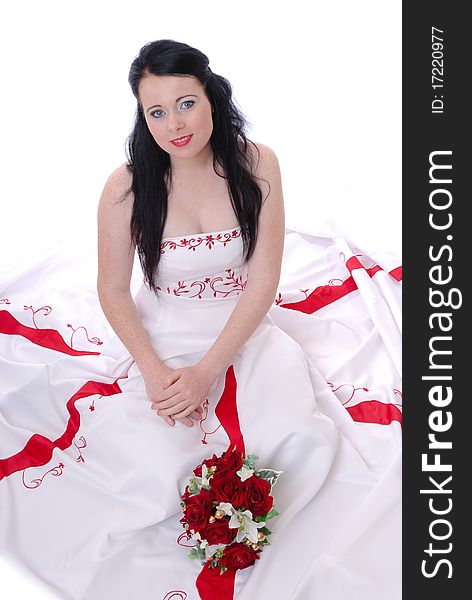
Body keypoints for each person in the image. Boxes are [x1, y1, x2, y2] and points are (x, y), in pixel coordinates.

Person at [0, 39, 402, 600]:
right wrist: (155, 371)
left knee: (289, 441)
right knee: (147, 458)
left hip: (243, 330)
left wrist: (210, 370)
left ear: (211, 94)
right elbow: (112, 289)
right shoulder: (126, 185)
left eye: (185, 103)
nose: (173, 125)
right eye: (155, 112)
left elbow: (263, 281)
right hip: (162, 337)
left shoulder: (257, 162)